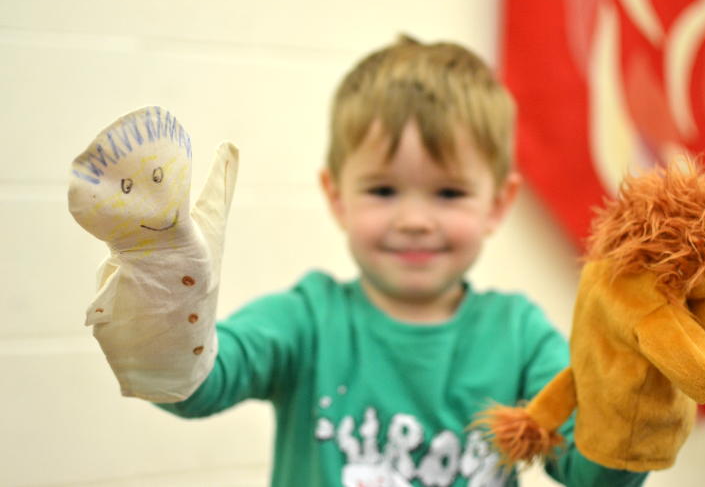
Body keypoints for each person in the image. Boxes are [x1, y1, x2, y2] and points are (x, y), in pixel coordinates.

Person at [155, 36, 649, 486]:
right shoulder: (306, 319)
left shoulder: (519, 335)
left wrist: (639, 402)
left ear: (497, 204)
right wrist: (157, 305)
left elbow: (592, 472)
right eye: (384, 190)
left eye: (449, 192)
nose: (414, 219)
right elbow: (197, 384)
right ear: (337, 196)